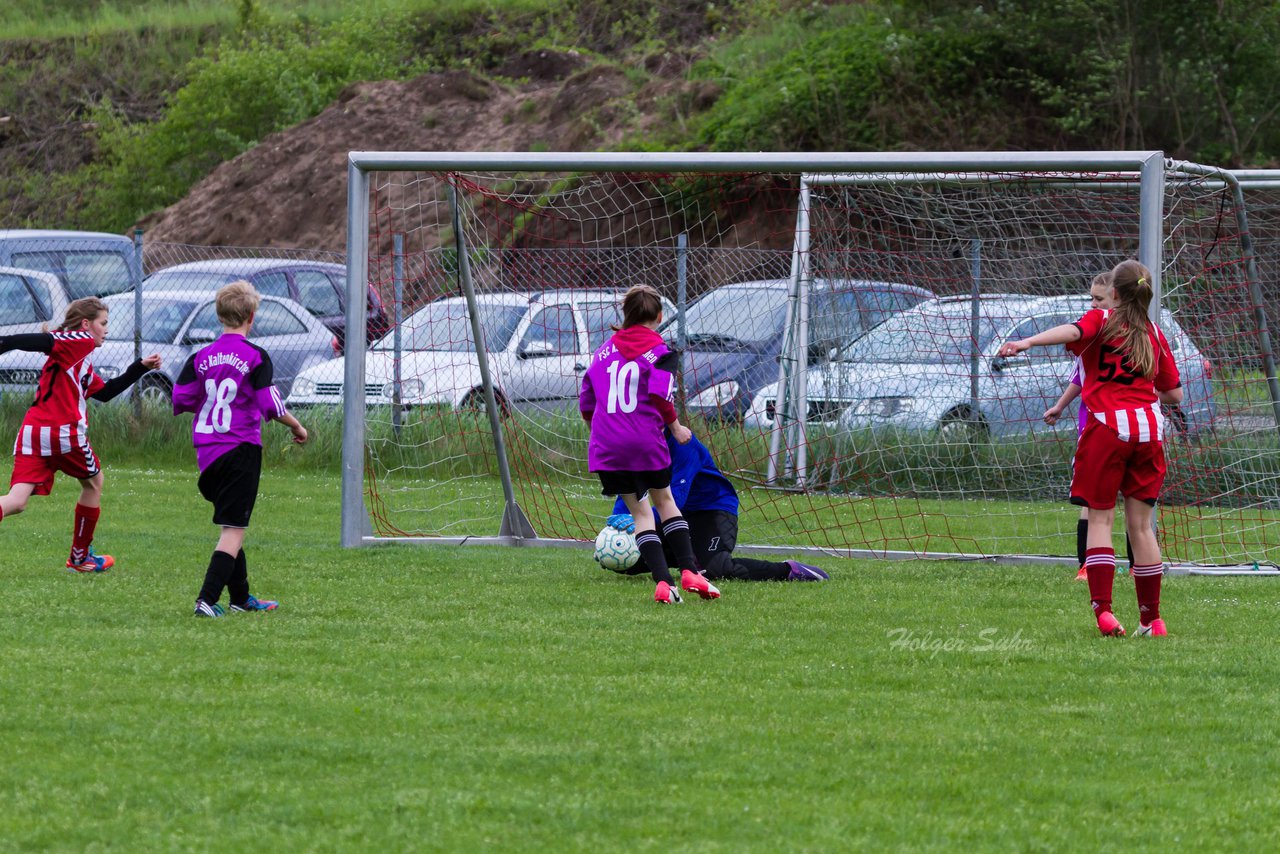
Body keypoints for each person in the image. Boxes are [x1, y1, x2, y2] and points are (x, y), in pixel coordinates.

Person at [1000, 259, 1182, 637]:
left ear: (1113, 293)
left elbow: (1071, 331)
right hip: (1149, 431)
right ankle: (1153, 620)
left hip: (1107, 428)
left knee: (1100, 519)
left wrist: (1027, 342)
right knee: (1141, 529)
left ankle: (1104, 612)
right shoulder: (1155, 334)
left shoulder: (1101, 320)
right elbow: (1174, 394)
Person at [172, 281, 308, 617]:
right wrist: (296, 425)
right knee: (233, 530)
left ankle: (241, 598)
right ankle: (206, 600)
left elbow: (181, 399)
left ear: (220, 315)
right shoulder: (255, 356)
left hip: (207, 453)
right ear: (252, 316)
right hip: (240, 449)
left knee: (233, 524)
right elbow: (270, 404)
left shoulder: (199, 357)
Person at [579, 283, 719, 605]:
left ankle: (663, 584)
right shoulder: (660, 352)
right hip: (645, 443)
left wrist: (598, 433)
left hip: (608, 449)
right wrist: (677, 426)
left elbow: (586, 401)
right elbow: (660, 396)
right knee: (666, 502)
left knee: (641, 515)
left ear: (625, 315)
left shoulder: (602, 352)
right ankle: (689, 572)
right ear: (658, 316)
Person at [0, 298, 161, 571]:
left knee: (16, 501)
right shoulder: (80, 340)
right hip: (63, 433)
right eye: (103, 323)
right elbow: (45, 341)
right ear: (87, 325)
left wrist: (139, 368)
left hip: (31, 431)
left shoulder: (79, 361)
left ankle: (81, 557)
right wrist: (5, 342)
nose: (106, 330)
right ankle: (80, 558)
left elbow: (106, 393)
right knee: (94, 483)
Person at [603, 431, 830, 582]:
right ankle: (690, 556)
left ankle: (789, 570)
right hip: (677, 516)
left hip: (712, 510)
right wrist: (615, 534)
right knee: (627, 560)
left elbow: (674, 501)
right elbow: (631, 489)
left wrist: (636, 521)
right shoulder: (637, 443)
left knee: (716, 569)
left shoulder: (684, 445)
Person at [1042, 270, 1132, 582]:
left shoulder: (1132, 334)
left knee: (1130, 501)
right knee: (1094, 502)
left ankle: (1136, 566)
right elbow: (1080, 377)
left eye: (1099, 299)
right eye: (1091, 299)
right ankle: (1086, 566)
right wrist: (1060, 405)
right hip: (1096, 426)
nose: (1093, 305)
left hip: (1123, 427)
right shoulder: (1093, 335)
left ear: (1117, 300)